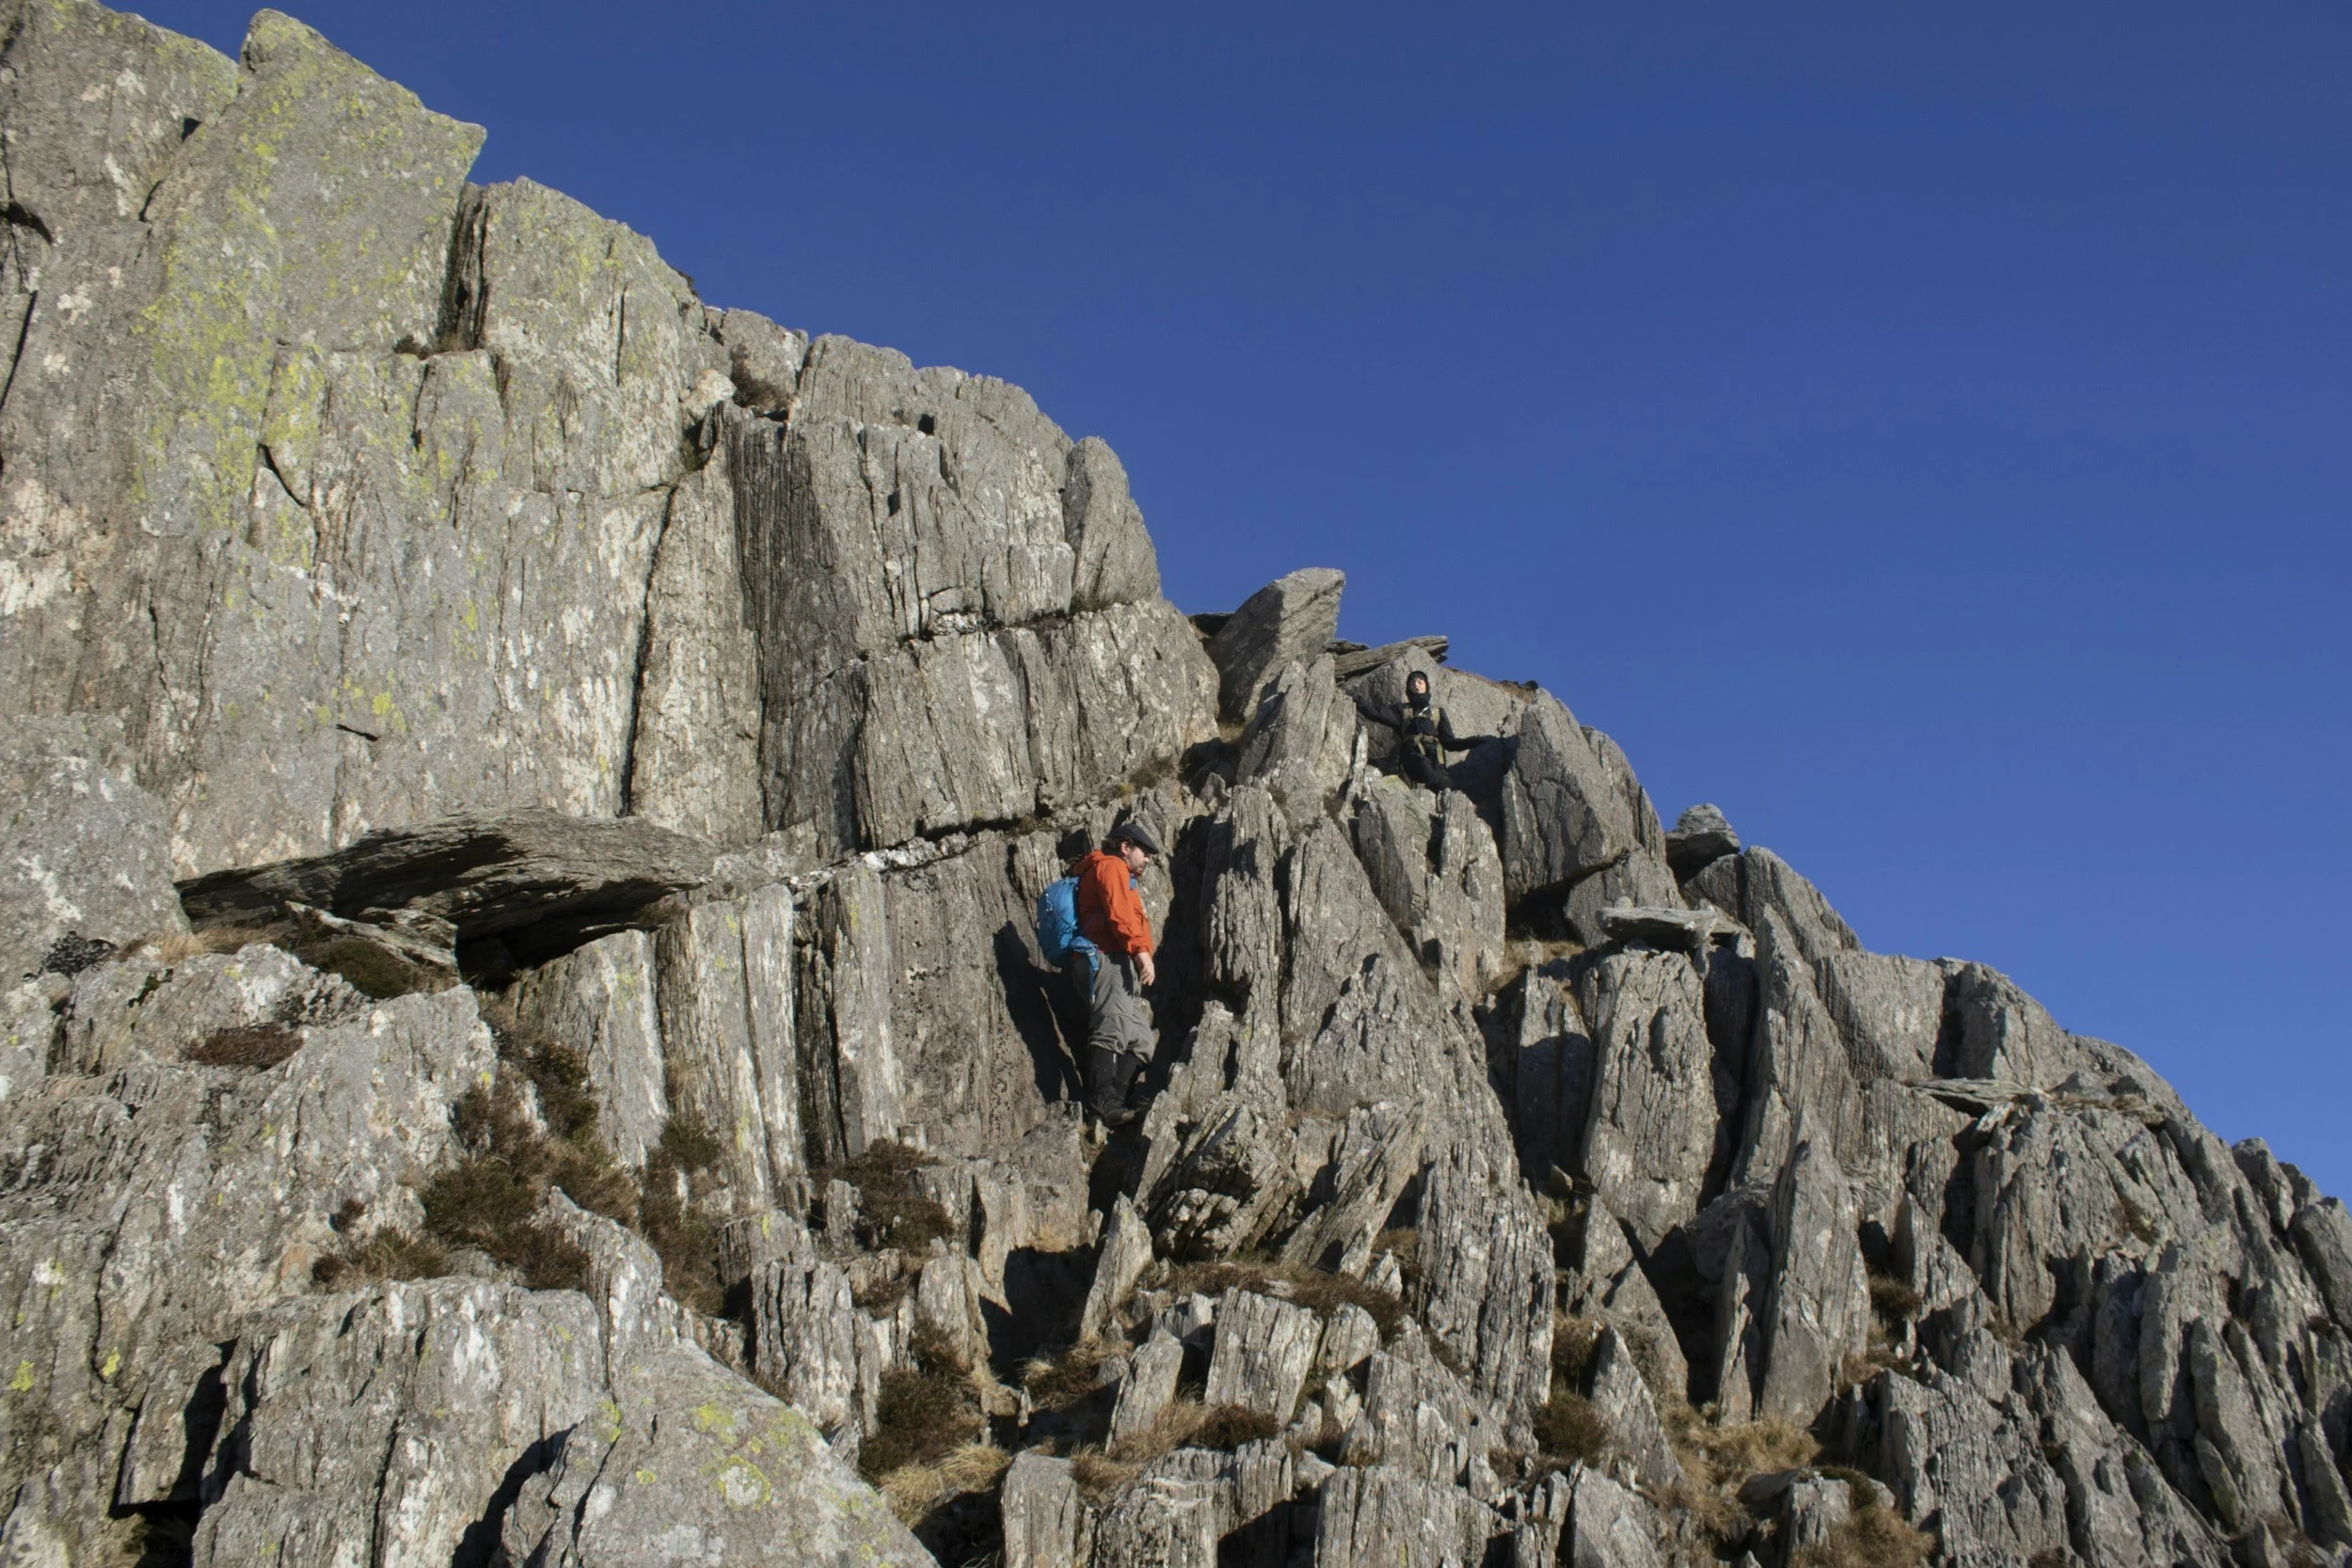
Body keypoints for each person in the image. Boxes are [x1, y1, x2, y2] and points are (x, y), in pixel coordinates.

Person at [1073, 819, 1162, 1128]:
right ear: (1126, 847)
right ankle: (1102, 1101)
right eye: (1145, 851)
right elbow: (1119, 917)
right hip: (1106, 958)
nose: (1149, 858)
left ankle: (1118, 1099)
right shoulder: (1112, 868)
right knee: (1110, 1026)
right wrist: (1141, 954)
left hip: (1118, 963)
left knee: (1142, 1041)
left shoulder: (1125, 875)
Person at [1375, 670, 1486, 793]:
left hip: (1436, 757)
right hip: (1412, 756)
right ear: (1408, 688)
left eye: (1420, 682)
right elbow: (1378, 713)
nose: (1416, 685)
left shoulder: (1437, 712)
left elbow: (1449, 742)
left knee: (1444, 784)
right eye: (1412, 683)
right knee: (1425, 766)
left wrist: (1475, 741)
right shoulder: (1401, 710)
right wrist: (1356, 699)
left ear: (1426, 686)